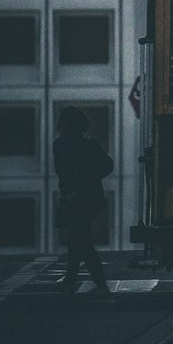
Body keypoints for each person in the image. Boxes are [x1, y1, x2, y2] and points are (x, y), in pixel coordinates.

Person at [53, 106, 114, 297]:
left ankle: (98, 285)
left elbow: (62, 171)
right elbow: (107, 165)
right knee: (78, 239)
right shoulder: (89, 143)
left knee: (82, 242)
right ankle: (72, 282)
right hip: (92, 197)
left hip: (75, 197)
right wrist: (91, 176)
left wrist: (67, 191)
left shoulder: (60, 144)